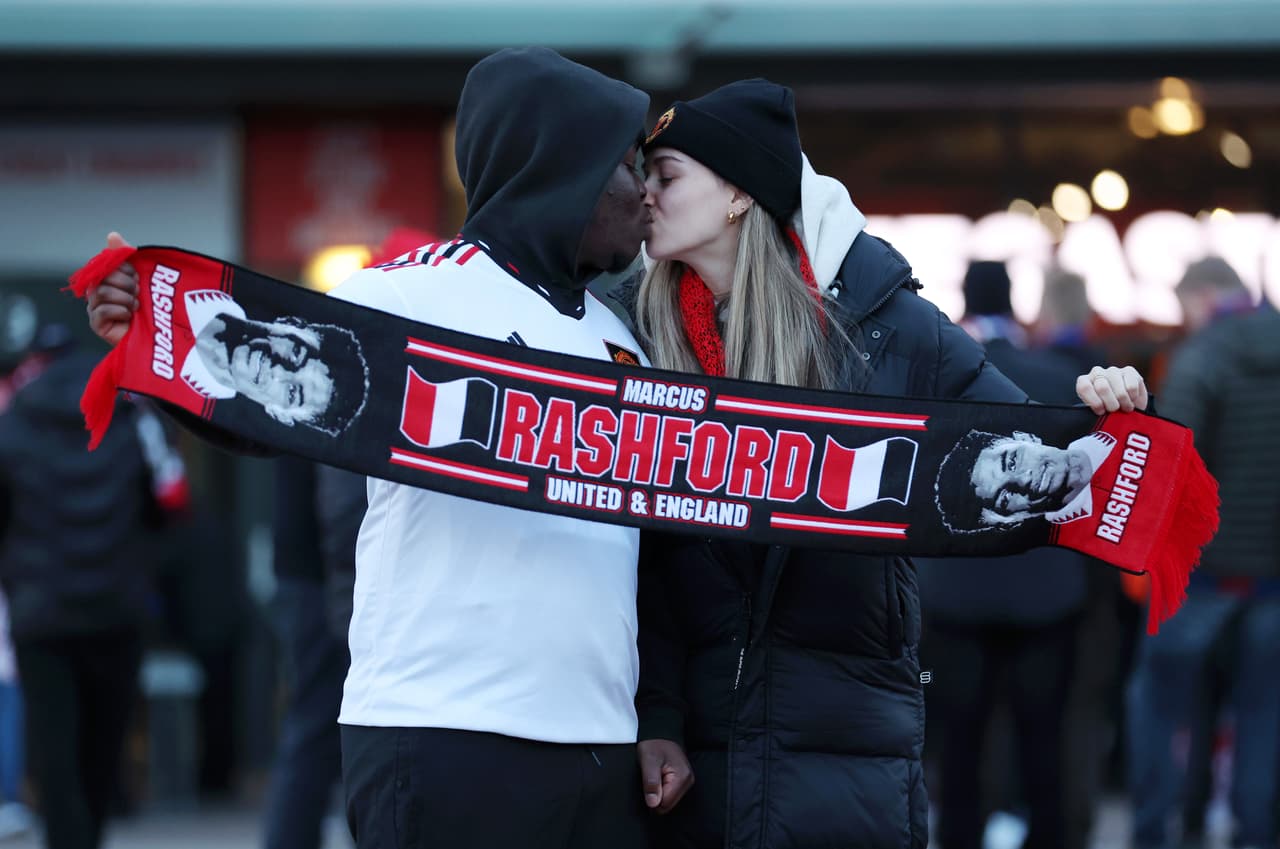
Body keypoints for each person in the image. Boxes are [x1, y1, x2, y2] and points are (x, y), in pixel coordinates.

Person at [85, 47, 652, 849]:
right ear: (565, 166)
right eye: (628, 164)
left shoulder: (621, 336)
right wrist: (149, 333)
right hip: (445, 733)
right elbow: (261, 403)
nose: (645, 189)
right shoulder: (405, 295)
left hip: (599, 742)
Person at [629, 79, 1147, 849]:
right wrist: (659, 715)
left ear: (738, 192)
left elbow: (1035, 451)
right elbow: (645, 563)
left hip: (848, 758)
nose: (643, 194)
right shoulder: (633, 335)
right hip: (695, 766)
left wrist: (1107, 406)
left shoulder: (888, 324)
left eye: (666, 175)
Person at [917, 259, 1090, 849]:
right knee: (1043, 737)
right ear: (1016, 300)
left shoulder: (940, 380)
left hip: (955, 595)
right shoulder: (1059, 375)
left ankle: (961, 838)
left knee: (957, 742)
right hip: (1048, 591)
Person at [0, 328, 186, 849]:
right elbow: (166, 507)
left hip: (40, 613)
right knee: (104, 749)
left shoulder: (14, 419)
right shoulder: (129, 413)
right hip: (117, 607)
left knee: (55, 753)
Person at [1125, 256, 1280, 849]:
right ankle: (1255, 833)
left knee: (1158, 711)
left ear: (1207, 297)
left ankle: (1152, 831)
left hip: (1196, 581)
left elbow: (1166, 471)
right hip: (1269, 582)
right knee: (1262, 721)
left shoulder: (1202, 358)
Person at [181, 289, 368, 436]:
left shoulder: (204, 418)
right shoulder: (217, 286)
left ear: (280, 416)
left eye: (292, 393)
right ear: (292, 324)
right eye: (297, 354)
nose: (278, 370)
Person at [935, 428, 1116, 531]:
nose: (1023, 481)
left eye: (1012, 462)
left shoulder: (1113, 418)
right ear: (1009, 522)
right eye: (1004, 498)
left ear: (1025, 437)